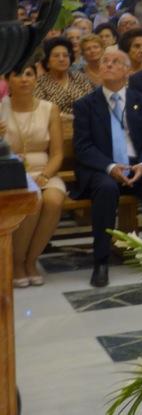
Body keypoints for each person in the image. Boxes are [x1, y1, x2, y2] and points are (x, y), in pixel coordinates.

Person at [72, 49, 142, 287]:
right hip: (103, 169)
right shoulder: (85, 105)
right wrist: (110, 167)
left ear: (127, 71)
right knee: (106, 189)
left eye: (115, 62)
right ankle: (101, 262)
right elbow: (83, 147)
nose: (108, 65)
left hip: (136, 165)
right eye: (105, 61)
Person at [3, 63, 65, 287]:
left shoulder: (50, 109)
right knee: (34, 201)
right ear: (8, 80)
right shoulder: (1, 108)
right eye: (18, 75)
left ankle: (32, 260)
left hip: (44, 170)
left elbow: (57, 153)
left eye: (29, 74)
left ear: (36, 79)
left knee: (54, 199)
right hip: (10, 172)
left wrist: (45, 176)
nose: (24, 79)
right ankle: (18, 262)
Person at [34, 36, 94, 116]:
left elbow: (92, 103)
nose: (61, 59)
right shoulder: (40, 83)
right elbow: (40, 112)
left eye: (65, 55)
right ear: (47, 62)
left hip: (83, 121)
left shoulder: (80, 78)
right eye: (56, 56)